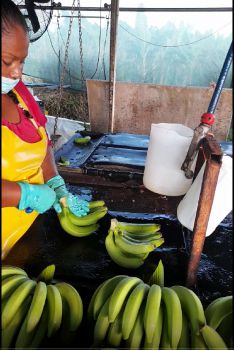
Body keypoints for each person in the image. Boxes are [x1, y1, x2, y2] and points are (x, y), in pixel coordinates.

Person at [1, 0, 89, 260]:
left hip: (23, 238)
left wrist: (55, 183)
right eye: (7, 61)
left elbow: (42, 143)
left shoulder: (19, 93)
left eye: (22, 61)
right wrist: (25, 194)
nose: (17, 73)